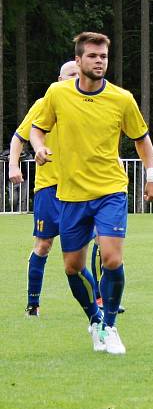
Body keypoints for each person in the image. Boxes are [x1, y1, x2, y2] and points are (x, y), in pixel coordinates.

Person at [30, 32, 153, 355]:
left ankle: (111, 326)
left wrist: (152, 175)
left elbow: (142, 139)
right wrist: (39, 147)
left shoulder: (121, 99)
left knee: (112, 257)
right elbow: (37, 127)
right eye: (92, 56)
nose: (99, 61)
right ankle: (95, 319)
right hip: (71, 195)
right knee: (73, 267)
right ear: (78, 60)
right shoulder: (57, 94)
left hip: (110, 190)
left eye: (103, 56)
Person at [8, 60, 100, 317]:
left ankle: (101, 301)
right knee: (44, 244)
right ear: (59, 79)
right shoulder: (43, 104)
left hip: (81, 186)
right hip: (49, 187)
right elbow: (19, 137)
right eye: (69, 75)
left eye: (77, 75)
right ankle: (33, 304)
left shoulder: (90, 105)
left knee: (97, 242)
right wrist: (13, 165)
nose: (73, 79)